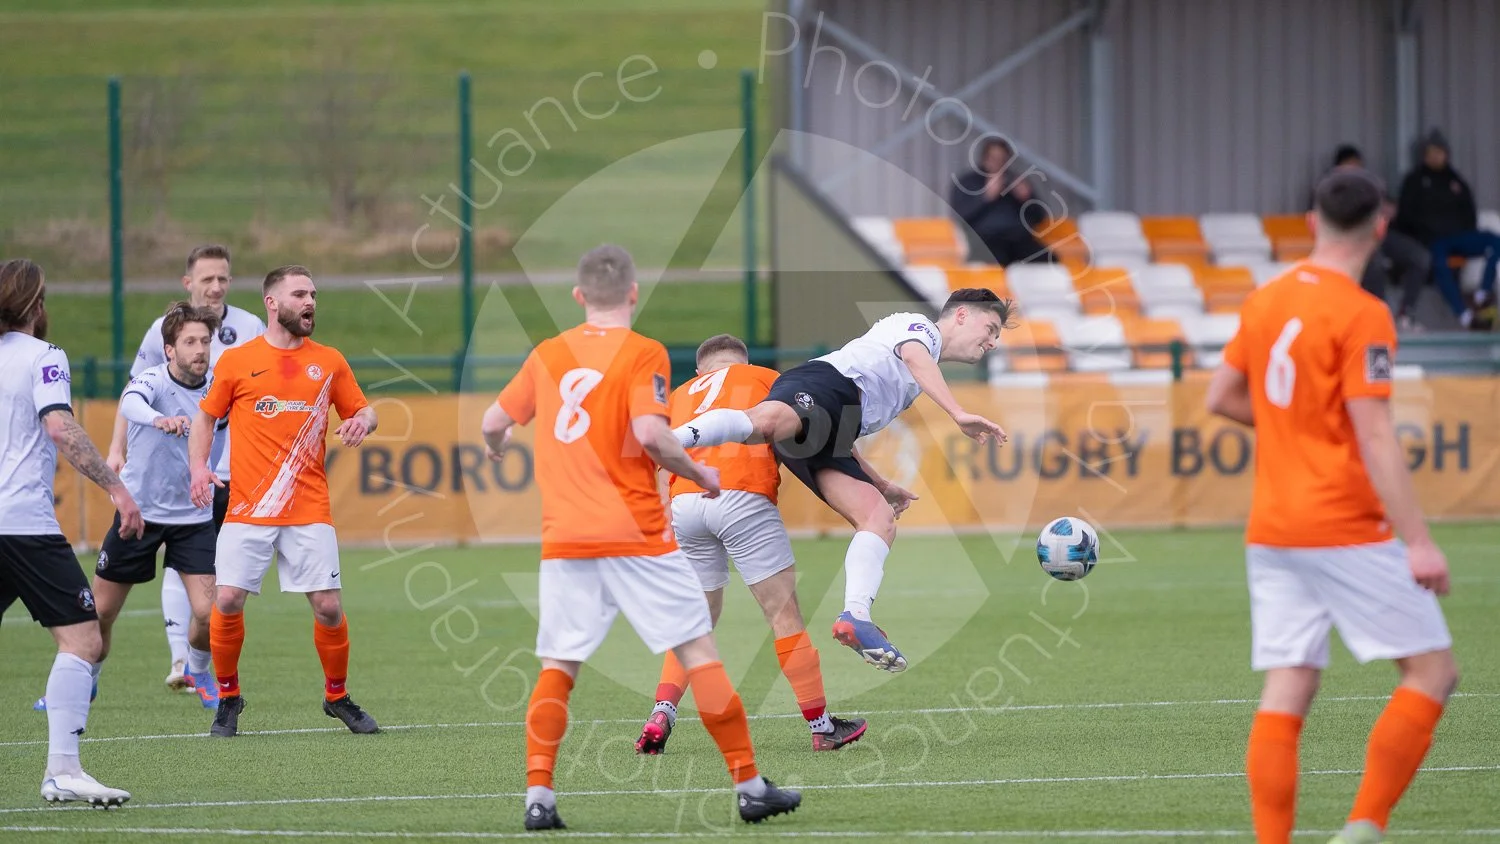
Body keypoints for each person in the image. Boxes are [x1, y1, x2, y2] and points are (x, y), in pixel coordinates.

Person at [480, 245, 802, 830]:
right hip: (636, 531)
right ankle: (750, 787)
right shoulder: (642, 351)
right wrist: (700, 471)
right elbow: (653, 435)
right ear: (633, 293)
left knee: (560, 664)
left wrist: (498, 448)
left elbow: (493, 423)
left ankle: (539, 797)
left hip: (566, 538)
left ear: (578, 297)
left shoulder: (547, 355)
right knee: (699, 651)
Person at [1206, 170, 1459, 844]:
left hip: (1273, 528)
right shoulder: (1363, 312)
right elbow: (1374, 434)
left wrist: (1295, 427)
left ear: (1312, 221)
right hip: (1342, 522)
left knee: (1288, 687)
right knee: (1434, 671)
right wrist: (1420, 541)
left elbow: (1220, 397)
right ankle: (1365, 827)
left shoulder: (1266, 299)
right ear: (1381, 227)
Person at [674, 289, 1013, 671]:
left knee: (879, 519)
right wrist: (958, 412)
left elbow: (843, 432)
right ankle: (670, 440)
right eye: (991, 327)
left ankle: (855, 616)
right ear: (962, 315)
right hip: (825, 384)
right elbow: (914, 356)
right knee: (763, 424)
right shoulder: (920, 331)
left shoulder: (915, 374)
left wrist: (881, 484)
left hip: (832, 425)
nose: (993, 341)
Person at [635, 334, 866, 756]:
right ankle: (822, 726)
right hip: (741, 494)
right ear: (742, 362)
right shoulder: (768, 379)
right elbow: (804, 436)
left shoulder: (681, 394)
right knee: (783, 614)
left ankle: (662, 711)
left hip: (685, 503)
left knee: (696, 618)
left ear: (701, 371)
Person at [188, 264, 379, 739]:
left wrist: (363, 422)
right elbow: (205, 418)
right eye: (299, 294)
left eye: (313, 293)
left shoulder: (329, 361)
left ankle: (337, 697)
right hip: (248, 507)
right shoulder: (236, 361)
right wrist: (197, 468)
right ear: (272, 303)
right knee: (227, 600)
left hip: (308, 506)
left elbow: (364, 409)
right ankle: (228, 698)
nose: (310, 302)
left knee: (329, 607)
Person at [0, 258, 143, 806]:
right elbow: (60, 426)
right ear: (37, 306)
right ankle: (63, 769)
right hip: (22, 525)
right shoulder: (44, 357)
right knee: (83, 639)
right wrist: (118, 489)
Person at [33, 303, 224, 714]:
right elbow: (131, 404)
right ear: (169, 349)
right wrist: (158, 420)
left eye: (205, 341)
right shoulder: (153, 380)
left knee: (212, 614)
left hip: (193, 518)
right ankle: (88, 681)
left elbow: (226, 437)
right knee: (100, 612)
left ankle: (199, 671)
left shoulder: (218, 388)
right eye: (190, 341)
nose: (200, 350)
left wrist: (212, 470)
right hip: (140, 513)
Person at [106, 245, 265, 692]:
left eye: (223, 279)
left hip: (227, 474)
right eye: (207, 279)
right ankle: (179, 659)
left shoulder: (250, 326)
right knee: (169, 569)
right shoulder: (162, 331)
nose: (215, 287)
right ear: (188, 283)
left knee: (206, 582)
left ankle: (193, 663)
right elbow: (132, 393)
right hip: (166, 479)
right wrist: (117, 449)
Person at [1392, 129, 1500, 328]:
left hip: (1460, 237)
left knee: (1494, 240)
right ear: (1424, 155)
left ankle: (1482, 294)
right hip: (1432, 240)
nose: (1436, 156)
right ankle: (1465, 316)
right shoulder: (1414, 181)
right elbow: (1405, 217)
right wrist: (1425, 233)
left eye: (1439, 151)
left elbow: (1469, 211)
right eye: (1431, 152)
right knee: (1439, 260)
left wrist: (1465, 231)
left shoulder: (1455, 181)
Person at [1316, 145, 1430, 330]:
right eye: (1349, 165)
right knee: (1376, 263)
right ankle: (1377, 318)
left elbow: (1391, 207)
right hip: (1350, 240)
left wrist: (1388, 211)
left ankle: (1406, 314)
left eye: (1357, 165)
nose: (1354, 170)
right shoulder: (1329, 189)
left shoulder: (1370, 185)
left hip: (1377, 235)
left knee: (1420, 257)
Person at [948, 136, 1052, 266]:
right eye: (994, 158)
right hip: (985, 240)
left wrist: (1027, 198)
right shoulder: (968, 182)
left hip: (1018, 240)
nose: (998, 163)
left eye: (1003, 159)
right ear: (984, 158)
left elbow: (1039, 217)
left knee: (1049, 260)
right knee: (994, 260)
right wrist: (985, 197)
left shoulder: (1017, 181)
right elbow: (960, 216)